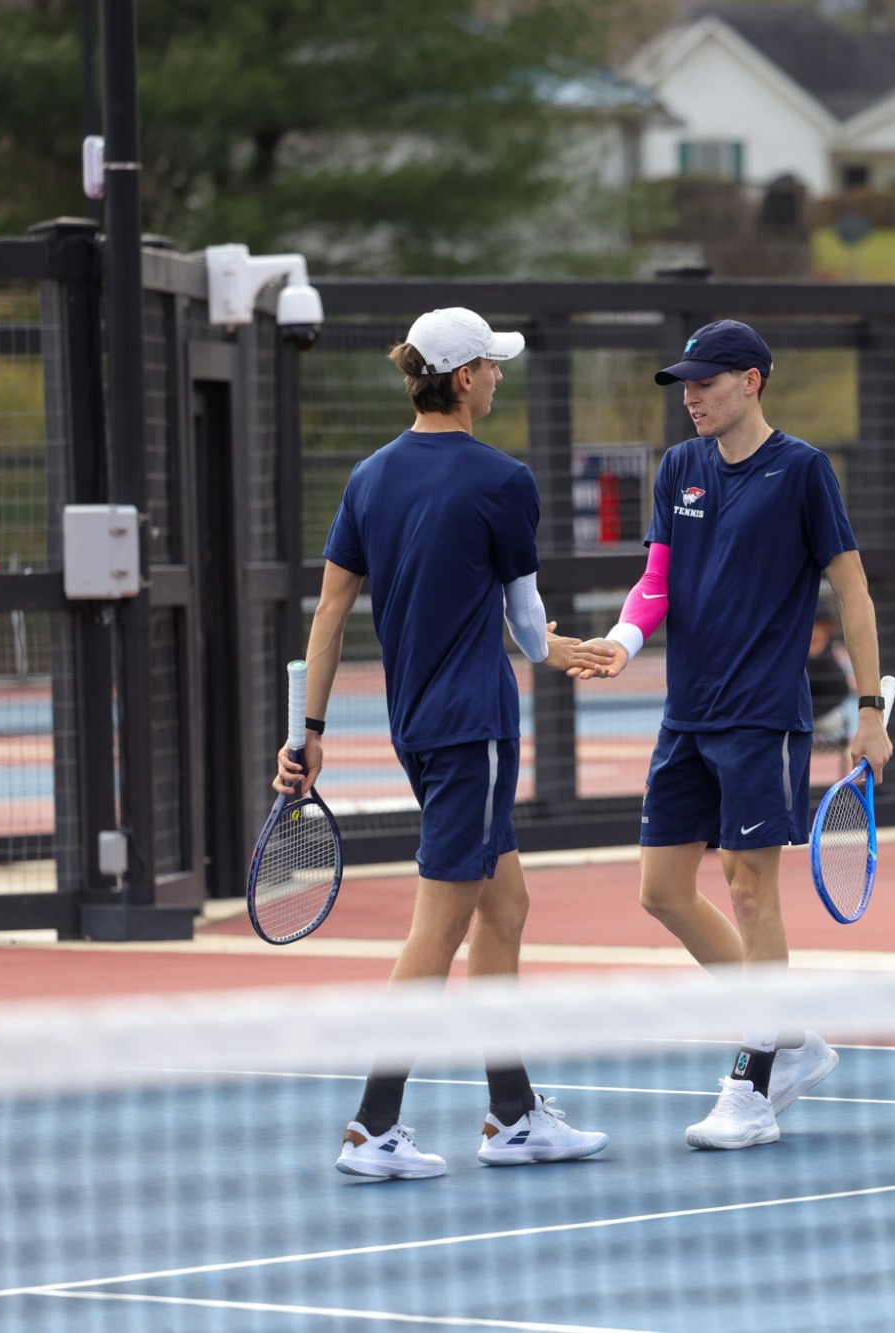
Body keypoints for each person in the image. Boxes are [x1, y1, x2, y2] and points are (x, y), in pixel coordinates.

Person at [277, 306, 608, 1180]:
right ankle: (371, 1124)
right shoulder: (504, 479)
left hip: (418, 730)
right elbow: (530, 632)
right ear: (462, 379)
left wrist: (306, 733)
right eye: (493, 366)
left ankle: (512, 1115)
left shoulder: (368, 477)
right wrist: (564, 650)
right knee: (440, 928)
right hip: (476, 732)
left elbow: (331, 615)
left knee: (507, 907)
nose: (501, 376)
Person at [565, 319, 894, 1150]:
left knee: (750, 889)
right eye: (684, 383)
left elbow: (852, 593)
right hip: (687, 712)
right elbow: (657, 579)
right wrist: (624, 641)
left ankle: (752, 1081)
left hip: (761, 716)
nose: (691, 396)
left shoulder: (803, 472)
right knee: (663, 891)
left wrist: (869, 709)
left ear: (751, 381)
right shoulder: (679, 468)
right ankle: (787, 1033)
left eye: (706, 382)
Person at [808, 603, 856, 771]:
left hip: (819, 718)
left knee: (835, 720)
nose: (816, 634)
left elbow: (841, 691)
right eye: (813, 628)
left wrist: (816, 657)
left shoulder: (828, 658)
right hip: (793, 716)